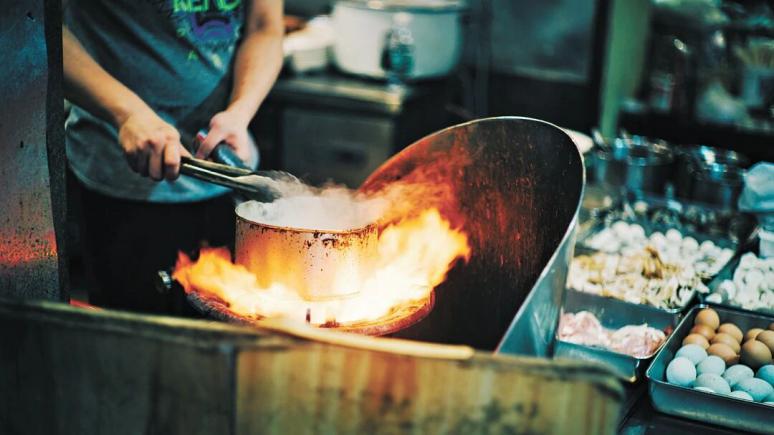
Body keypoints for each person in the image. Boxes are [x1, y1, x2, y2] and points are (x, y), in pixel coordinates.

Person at [63, 0, 284, 312]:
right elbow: (33, 29)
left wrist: (241, 110)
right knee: (140, 341)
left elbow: (265, 26)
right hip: (125, 184)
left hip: (230, 180)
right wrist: (126, 113)